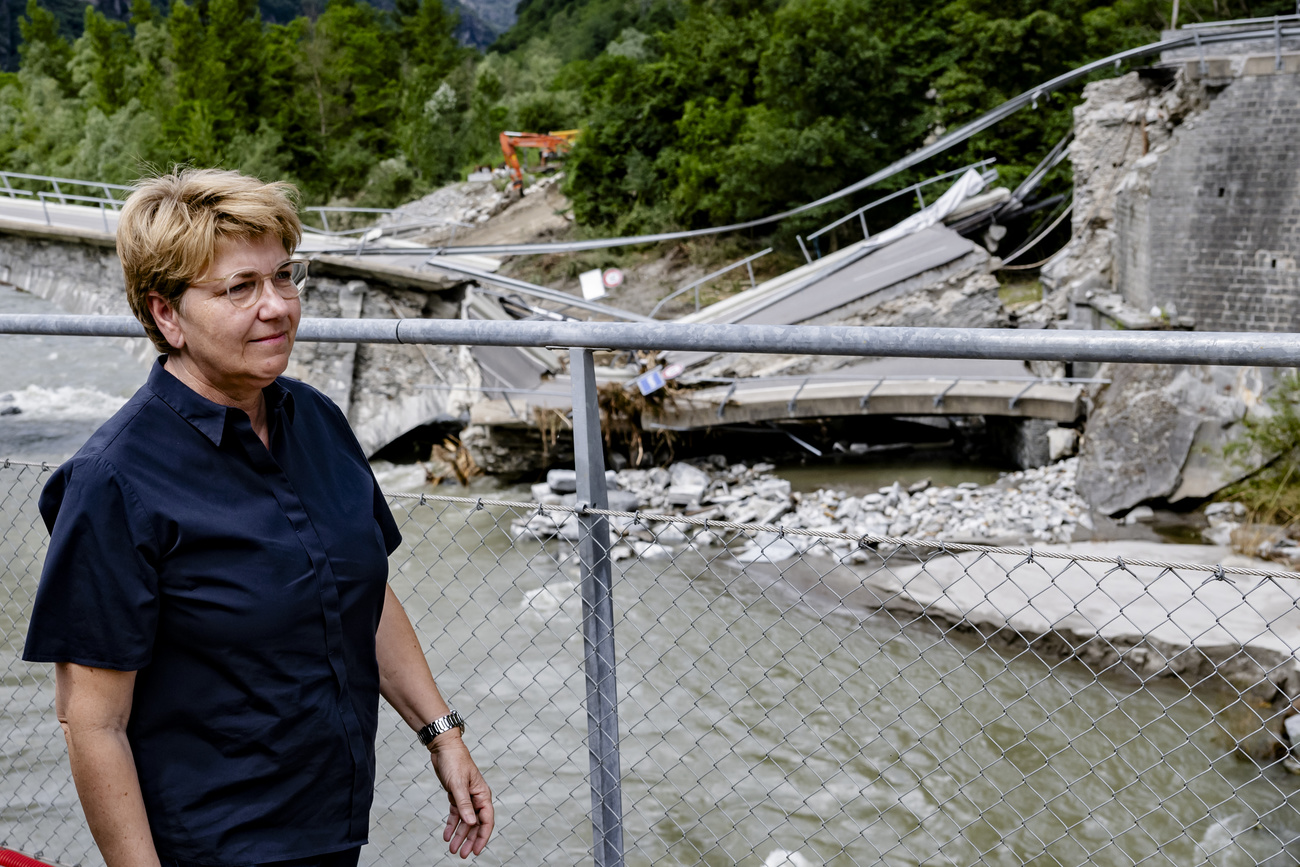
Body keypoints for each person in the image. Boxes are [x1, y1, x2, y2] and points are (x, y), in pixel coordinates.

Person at [22, 168, 493, 867]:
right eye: (240, 288)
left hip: (332, 829)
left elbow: (359, 590)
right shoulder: (113, 481)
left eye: (282, 276)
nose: (276, 306)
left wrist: (442, 733)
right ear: (166, 315)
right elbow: (92, 723)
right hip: (211, 845)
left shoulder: (318, 420)